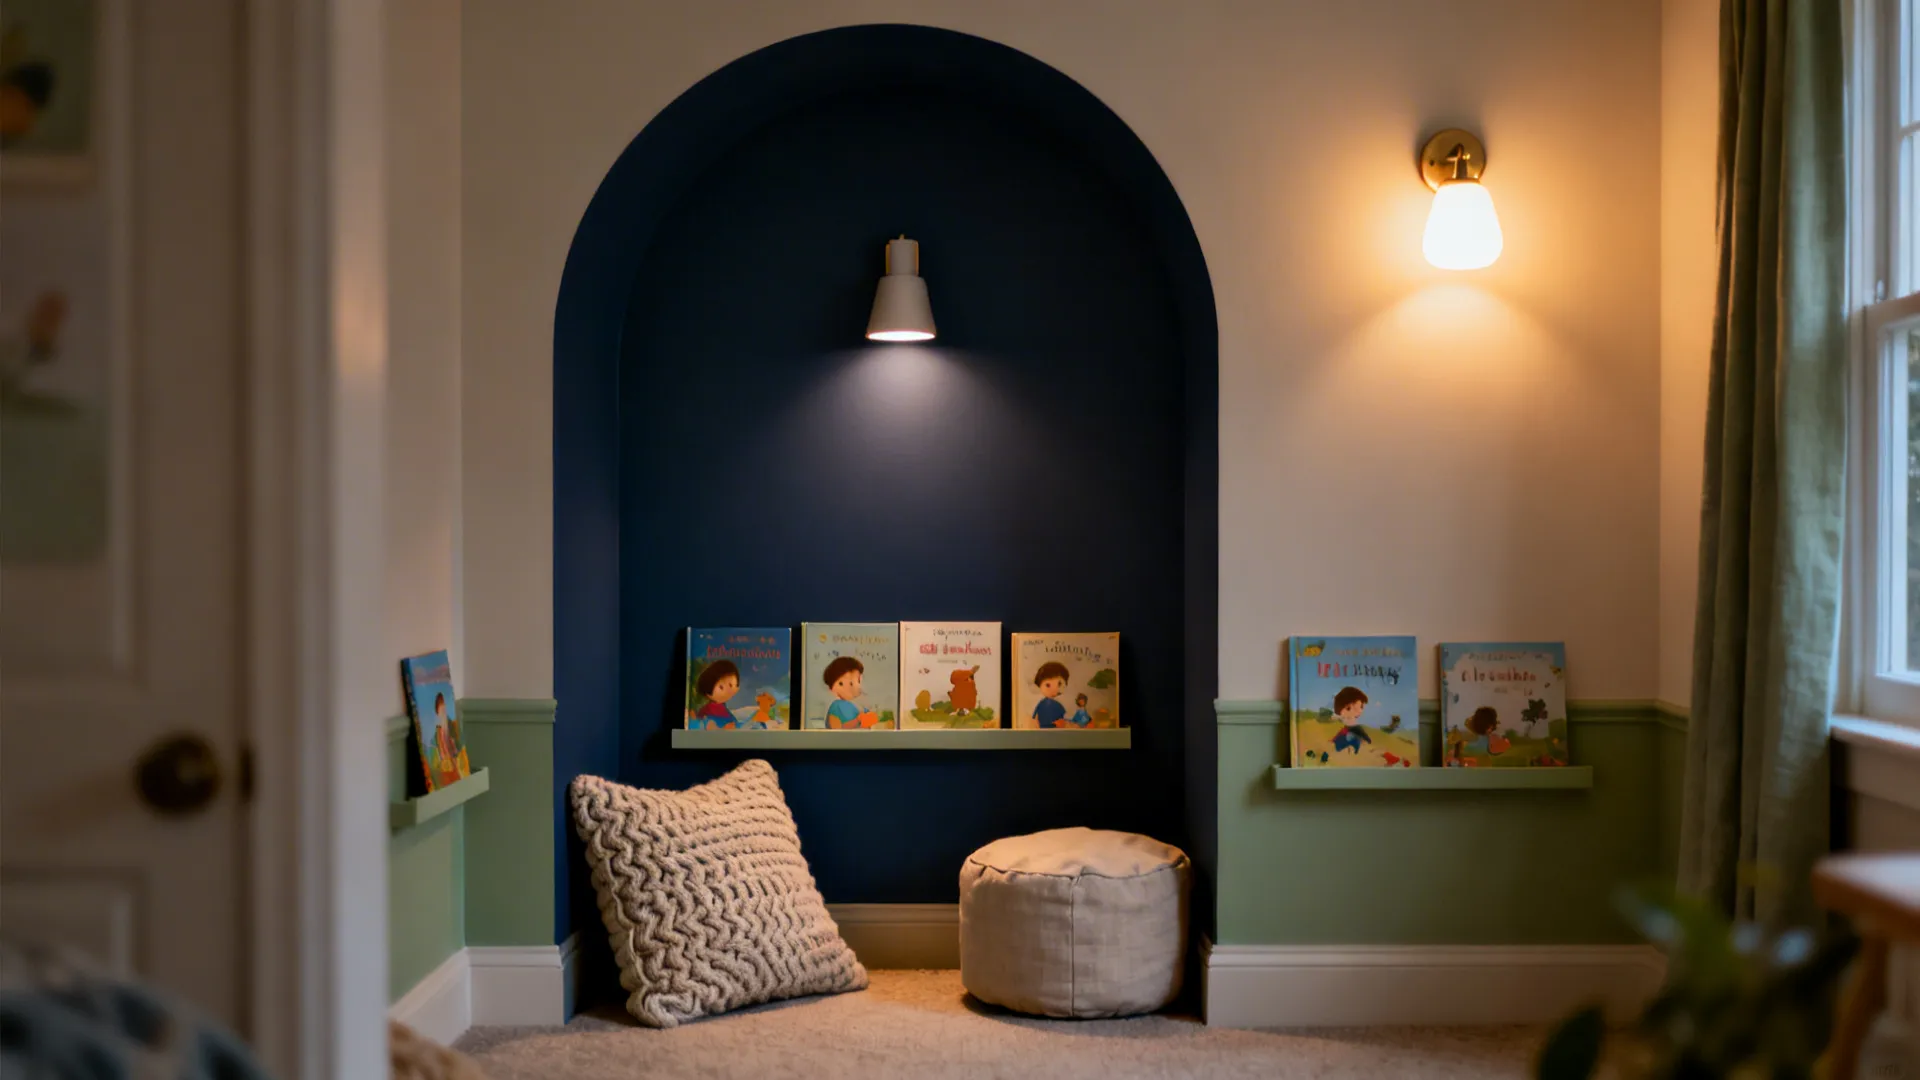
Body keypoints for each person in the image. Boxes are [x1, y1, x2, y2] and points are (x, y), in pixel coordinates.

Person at [822, 655, 877, 729]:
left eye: (856, 681)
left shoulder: (856, 707)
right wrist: (858, 720)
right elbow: (836, 730)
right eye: (841, 684)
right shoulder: (836, 707)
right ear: (832, 688)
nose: (850, 688)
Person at [689, 660, 741, 728]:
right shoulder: (708, 709)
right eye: (721, 687)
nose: (728, 691)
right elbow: (702, 722)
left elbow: (734, 722)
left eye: (731, 685)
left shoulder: (723, 708)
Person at [1030, 661, 1069, 728]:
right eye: (1048, 685)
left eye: (1059, 684)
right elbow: (1035, 716)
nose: (1054, 689)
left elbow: (1062, 717)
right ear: (1039, 685)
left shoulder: (1057, 704)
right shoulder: (1042, 703)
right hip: (1043, 728)